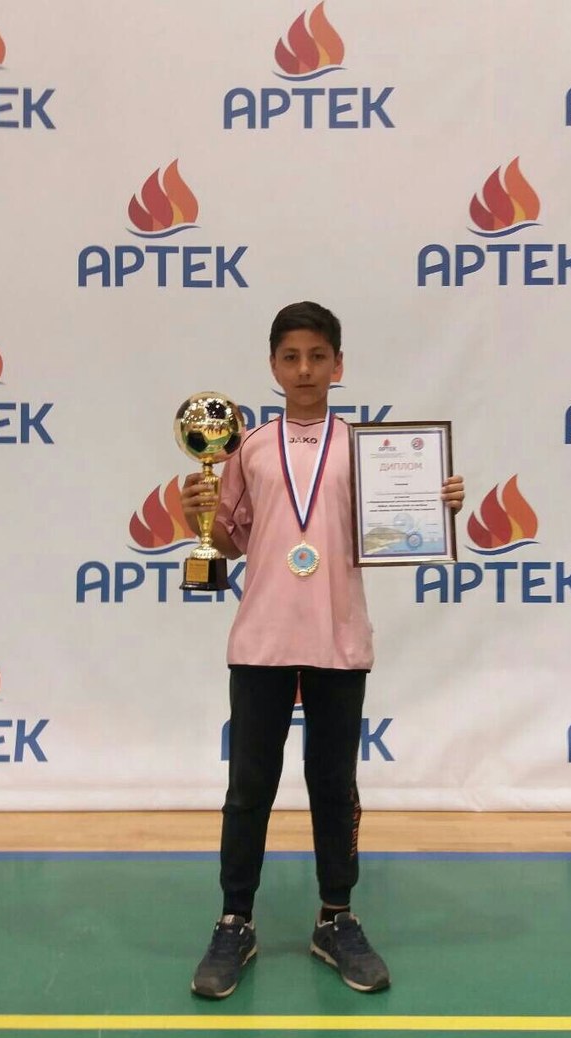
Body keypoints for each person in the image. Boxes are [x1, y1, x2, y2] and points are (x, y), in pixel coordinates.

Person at [181, 300, 465, 999]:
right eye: (290, 357)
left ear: (338, 365)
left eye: (316, 356)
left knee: (333, 785)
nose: (304, 369)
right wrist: (199, 519)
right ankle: (234, 920)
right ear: (273, 367)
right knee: (248, 786)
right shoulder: (246, 448)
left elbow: (393, 528)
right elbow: (230, 544)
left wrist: (437, 504)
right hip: (263, 638)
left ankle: (335, 918)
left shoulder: (367, 451)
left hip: (338, 637)